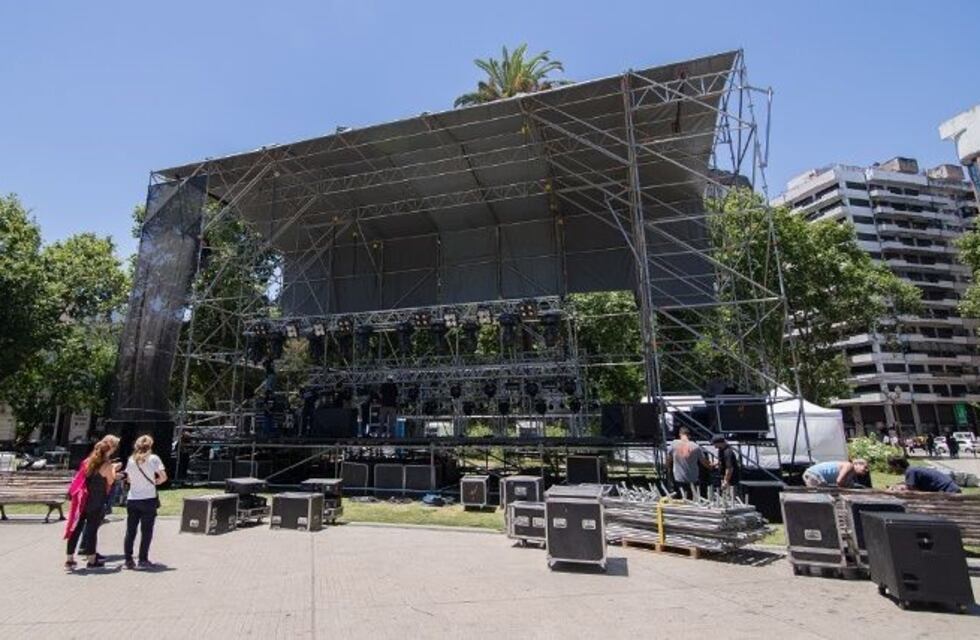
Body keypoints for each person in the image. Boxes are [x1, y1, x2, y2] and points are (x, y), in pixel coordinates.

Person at [64, 435, 121, 570]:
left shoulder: (87, 461)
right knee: (91, 529)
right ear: (108, 450)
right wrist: (114, 468)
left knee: (76, 528)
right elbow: (111, 480)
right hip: (96, 500)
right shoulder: (106, 465)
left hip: (83, 499)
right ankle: (91, 559)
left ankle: (69, 559)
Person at [124, 435, 167, 569]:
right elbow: (163, 477)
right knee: (146, 531)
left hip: (133, 498)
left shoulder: (131, 459)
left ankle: (128, 559)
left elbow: (129, 479)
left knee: (130, 530)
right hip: (148, 498)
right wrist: (155, 482)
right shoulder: (153, 458)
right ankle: (143, 559)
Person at [666, 426, 711, 500]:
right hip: (693, 478)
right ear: (689, 435)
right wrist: (711, 466)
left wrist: (667, 470)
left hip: (679, 478)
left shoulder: (673, 445)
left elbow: (668, 460)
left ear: (680, 434)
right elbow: (704, 462)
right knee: (693, 499)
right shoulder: (696, 447)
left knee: (680, 499)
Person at [888, 458, 960, 493]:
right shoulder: (912, 469)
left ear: (897, 465)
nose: (891, 469)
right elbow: (910, 485)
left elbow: (913, 492)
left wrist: (896, 490)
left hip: (948, 491)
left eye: (892, 467)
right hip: (951, 487)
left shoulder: (910, 471)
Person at [802, 459, 869, 488]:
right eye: (865, 467)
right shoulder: (849, 466)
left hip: (814, 475)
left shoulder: (852, 474)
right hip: (814, 474)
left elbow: (849, 484)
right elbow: (839, 481)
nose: (866, 470)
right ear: (858, 465)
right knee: (820, 496)